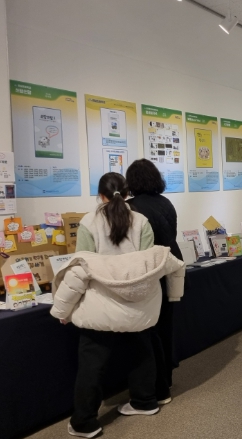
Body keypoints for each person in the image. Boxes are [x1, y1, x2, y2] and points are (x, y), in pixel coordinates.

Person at [55, 172, 166, 438]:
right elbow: (148, 265)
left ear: (100, 195)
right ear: (127, 193)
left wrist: (64, 309)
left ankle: (84, 422)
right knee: (141, 353)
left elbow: (81, 269)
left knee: (92, 364)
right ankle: (145, 401)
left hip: (100, 306)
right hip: (137, 305)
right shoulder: (141, 221)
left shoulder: (88, 223)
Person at [126, 159, 182, 403]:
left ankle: (156, 388)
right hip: (170, 267)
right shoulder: (166, 202)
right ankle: (165, 379)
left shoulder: (131, 207)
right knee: (165, 327)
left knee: (148, 331)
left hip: (149, 272)